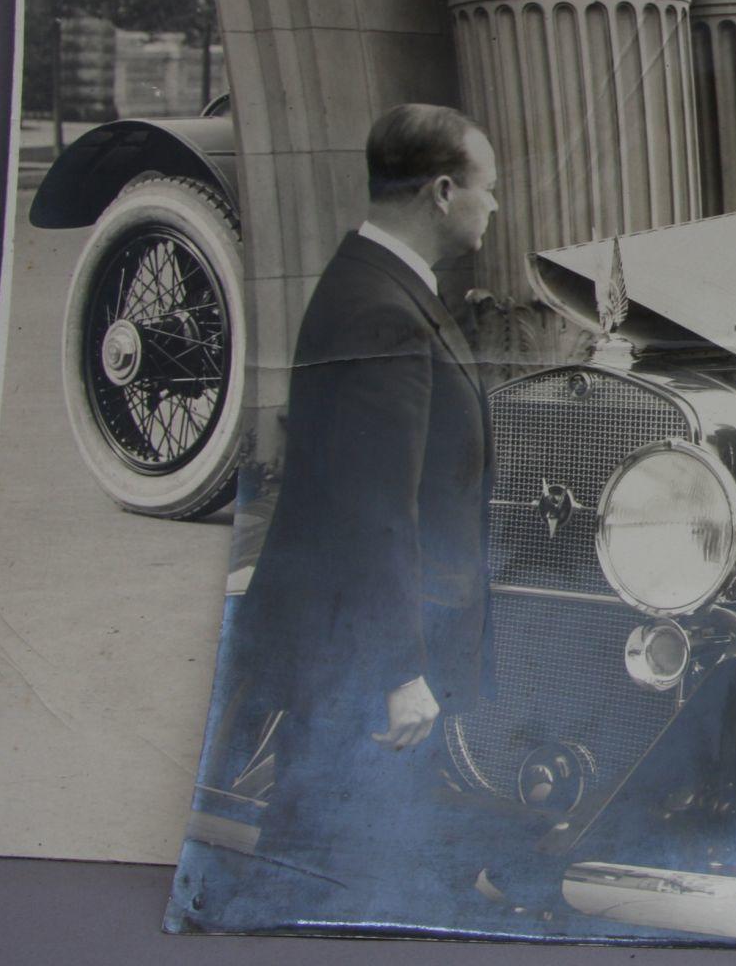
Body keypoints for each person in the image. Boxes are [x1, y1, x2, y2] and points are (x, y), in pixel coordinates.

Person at [237, 102, 500, 920]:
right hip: (365, 662)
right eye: (489, 189)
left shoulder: (375, 284)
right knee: (331, 871)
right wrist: (399, 672)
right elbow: (374, 507)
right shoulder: (383, 306)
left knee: (343, 864)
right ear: (444, 192)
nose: (496, 206)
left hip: (359, 644)